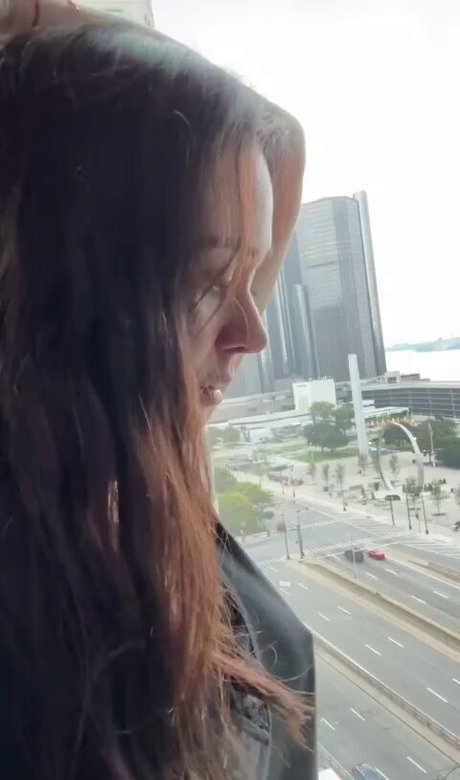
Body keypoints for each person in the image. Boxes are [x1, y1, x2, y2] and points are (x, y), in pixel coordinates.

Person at [0, 3, 316, 779]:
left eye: (250, 273)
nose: (252, 333)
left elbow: (282, 138)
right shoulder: (33, 653)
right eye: (208, 282)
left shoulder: (131, 479)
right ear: (67, 293)